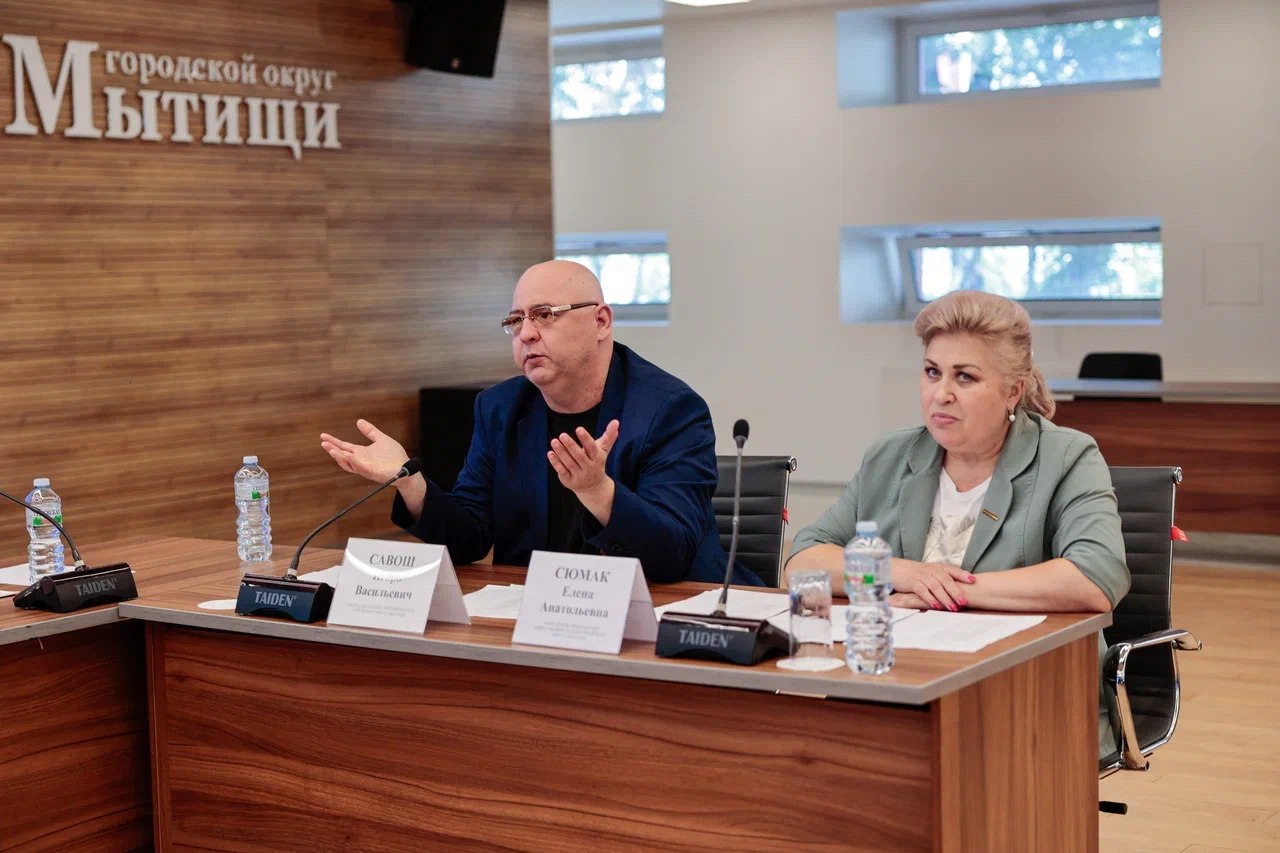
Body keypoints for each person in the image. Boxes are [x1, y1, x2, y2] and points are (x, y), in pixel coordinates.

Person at [784, 290, 1127, 755]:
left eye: (965, 377)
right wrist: (906, 574)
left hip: (1029, 699)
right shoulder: (890, 455)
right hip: (897, 686)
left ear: (1013, 391)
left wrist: (950, 592)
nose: (940, 394)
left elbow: (1096, 577)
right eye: (932, 372)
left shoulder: (1067, 456)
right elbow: (804, 561)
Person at [321, 260, 756, 585]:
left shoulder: (672, 410)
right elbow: (470, 538)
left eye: (545, 314)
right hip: (540, 617)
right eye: (516, 320)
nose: (526, 333)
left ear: (601, 321)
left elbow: (673, 555)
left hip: (663, 616)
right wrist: (410, 482)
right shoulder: (499, 408)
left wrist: (598, 492)